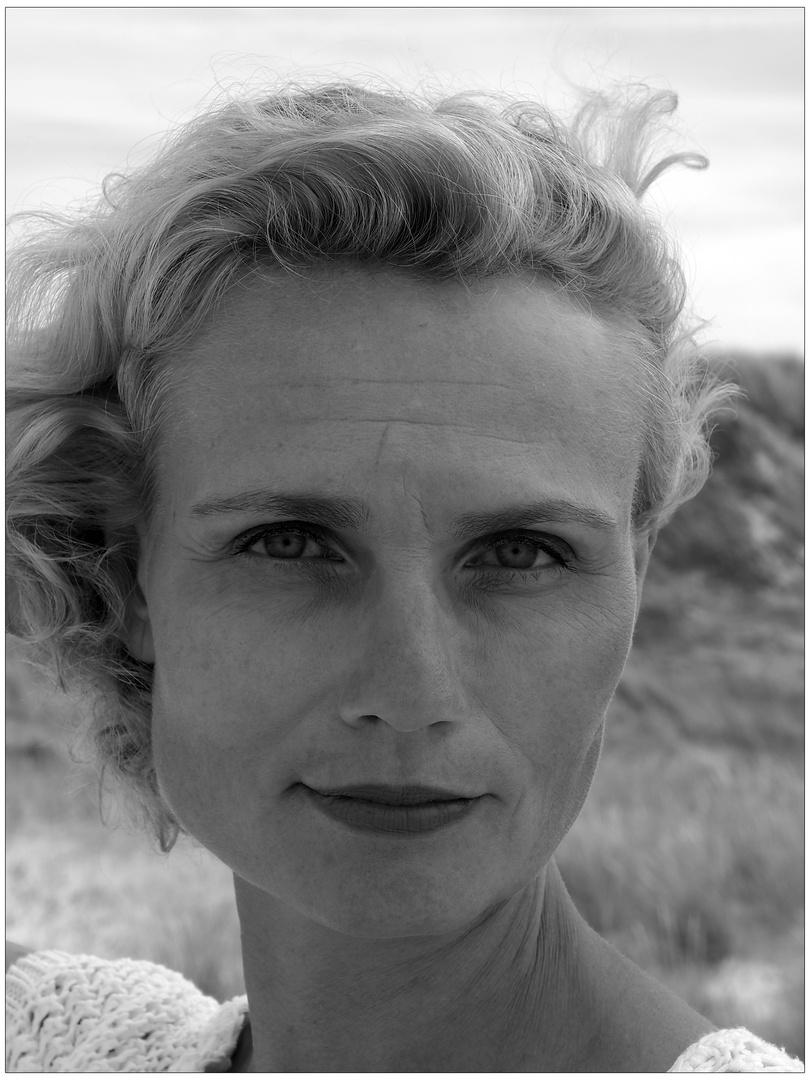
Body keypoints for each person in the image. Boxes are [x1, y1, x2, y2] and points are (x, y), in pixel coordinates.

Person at [5, 76, 802, 1073]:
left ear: (633, 584)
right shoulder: (69, 1048)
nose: (411, 693)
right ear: (125, 582)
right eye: (291, 541)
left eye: (522, 554)